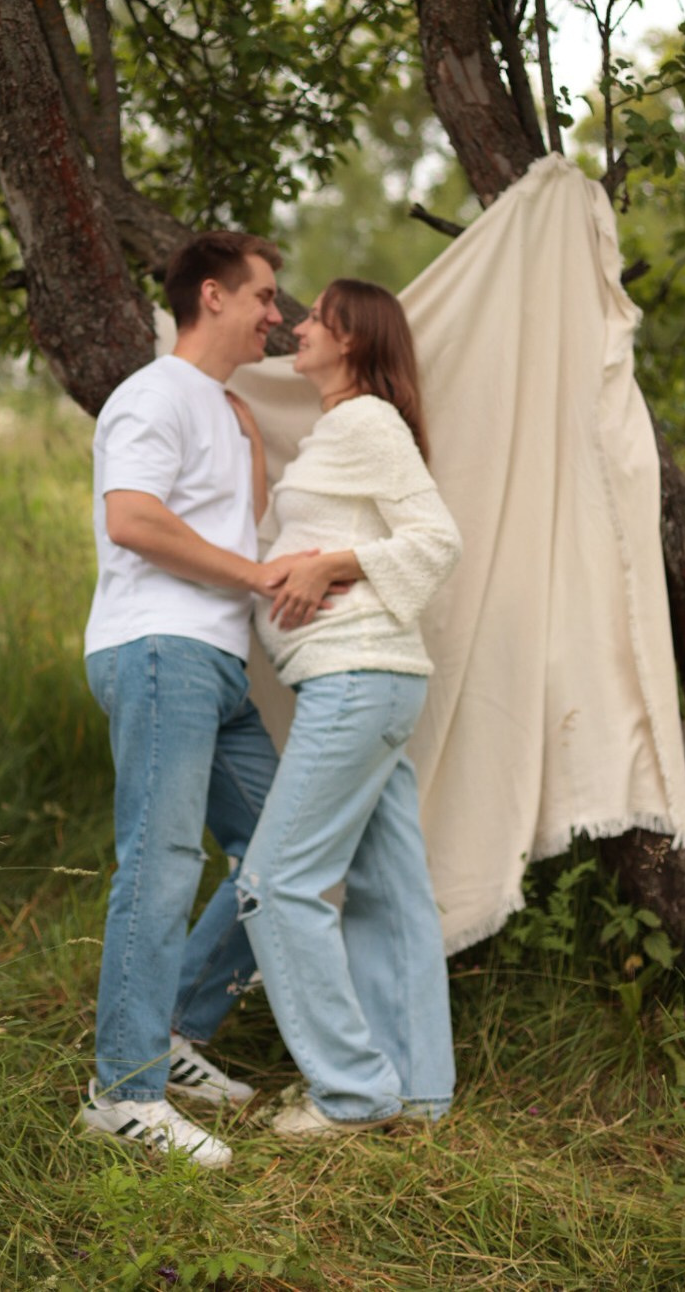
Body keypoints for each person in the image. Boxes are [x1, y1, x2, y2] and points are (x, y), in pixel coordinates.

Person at [79, 231, 321, 1170]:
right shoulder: (151, 394)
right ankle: (122, 1089)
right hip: (157, 651)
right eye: (265, 296)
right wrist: (259, 575)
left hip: (217, 667)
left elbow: (235, 524)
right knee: (163, 861)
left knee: (286, 847)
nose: (278, 313)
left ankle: (175, 1027)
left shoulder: (228, 412)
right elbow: (132, 519)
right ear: (212, 296)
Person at [235, 278, 462, 1138]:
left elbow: (435, 539)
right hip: (373, 679)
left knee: (275, 883)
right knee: (388, 891)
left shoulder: (368, 420)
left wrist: (333, 564)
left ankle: (352, 1094)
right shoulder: (344, 427)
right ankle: (418, 1093)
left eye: (317, 319)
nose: (298, 326)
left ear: (355, 341)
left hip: (359, 676)